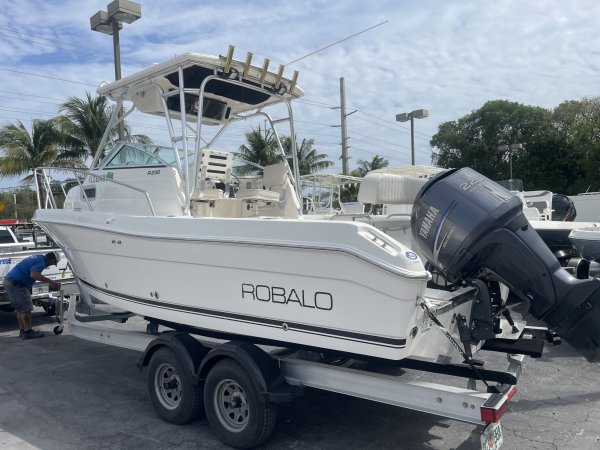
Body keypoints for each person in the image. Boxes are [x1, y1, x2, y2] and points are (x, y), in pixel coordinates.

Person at [4, 251, 61, 339]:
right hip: (17, 284)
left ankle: (23, 331)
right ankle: (28, 332)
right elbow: (34, 274)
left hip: (11, 282)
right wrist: (50, 282)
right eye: (53, 263)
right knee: (26, 309)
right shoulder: (41, 262)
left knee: (21, 309)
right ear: (52, 259)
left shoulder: (39, 257)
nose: (51, 265)